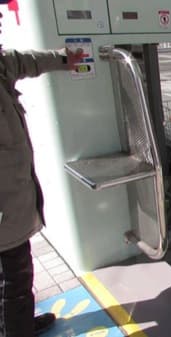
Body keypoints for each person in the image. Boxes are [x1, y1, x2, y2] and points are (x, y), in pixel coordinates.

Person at [0, 8, 83, 337]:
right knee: (16, 276)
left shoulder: (2, 65)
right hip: (4, 208)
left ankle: (15, 322)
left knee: (13, 275)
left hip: (12, 201)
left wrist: (65, 59)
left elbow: (23, 61)